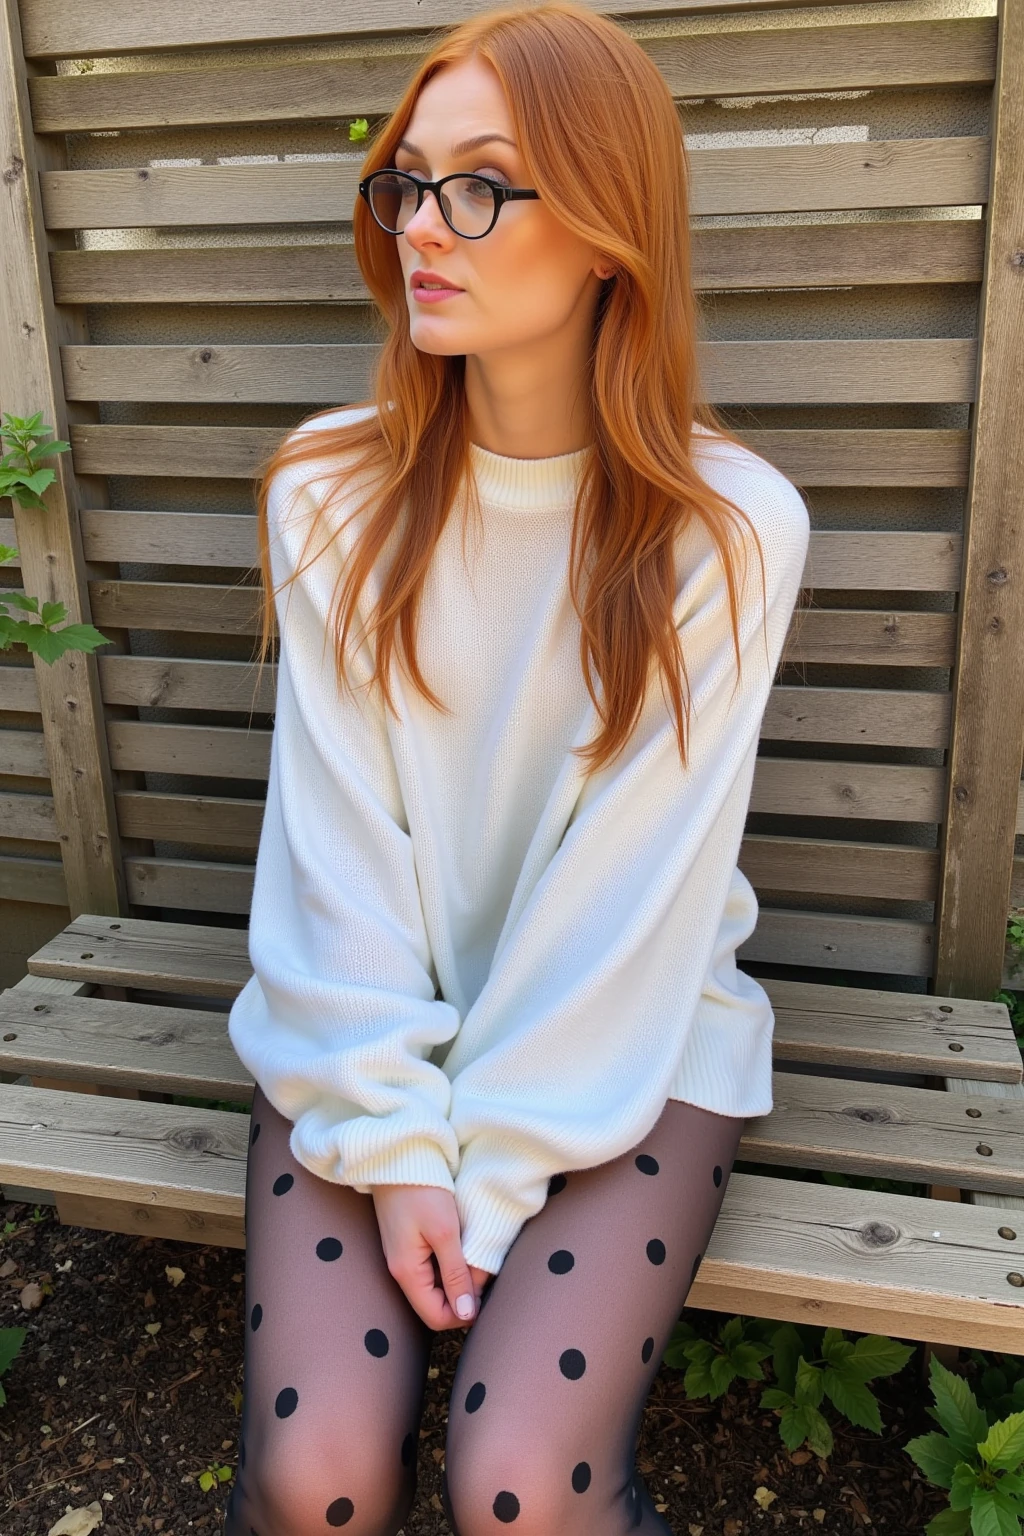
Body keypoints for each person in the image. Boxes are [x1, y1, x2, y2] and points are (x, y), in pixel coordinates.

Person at [224, 4, 810, 1533]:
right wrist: (397, 1141)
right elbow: (334, 860)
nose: (427, 225)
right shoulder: (328, 494)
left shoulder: (730, 531)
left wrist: (477, 1195)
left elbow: (627, 909)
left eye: (482, 184)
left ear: (611, 229)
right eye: (408, 182)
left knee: (516, 1487)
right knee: (315, 1478)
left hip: (634, 1027)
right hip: (366, 1027)